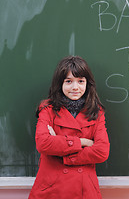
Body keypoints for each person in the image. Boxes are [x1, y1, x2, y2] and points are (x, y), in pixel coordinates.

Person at [29, 55, 110, 199]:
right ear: (60, 84)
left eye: (80, 81)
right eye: (68, 81)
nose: (75, 87)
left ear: (87, 84)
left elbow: (102, 151)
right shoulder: (47, 108)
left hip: (84, 190)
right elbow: (43, 143)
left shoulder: (96, 112)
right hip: (51, 189)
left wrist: (62, 151)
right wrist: (82, 142)